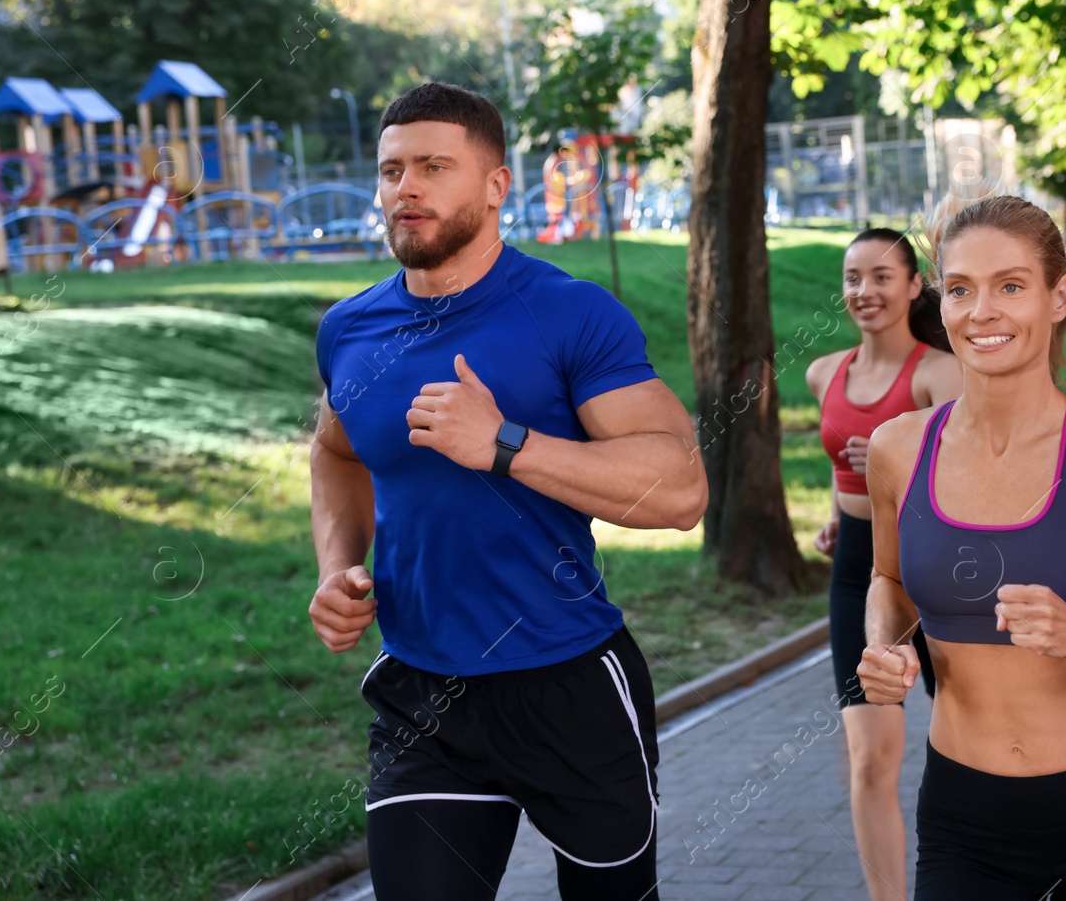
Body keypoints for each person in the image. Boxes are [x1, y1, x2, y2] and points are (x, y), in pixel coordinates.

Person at [308, 83, 707, 901]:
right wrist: (338, 563)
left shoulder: (569, 315)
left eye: (433, 167)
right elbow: (335, 450)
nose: (405, 188)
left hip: (568, 683)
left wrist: (506, 444)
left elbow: (681, 490)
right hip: (423, 691)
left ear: (495, 186)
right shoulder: (349, 328)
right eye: (390, 170)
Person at [858, 192, 1066, 899]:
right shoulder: (899, 448)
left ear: (1058, 296)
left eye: (1010, 286)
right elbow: (888, 580)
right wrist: (887, 646)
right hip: (962, 819)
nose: (981, 311)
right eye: (960, 289)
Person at [805, 227, 961, 901]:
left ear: (913, 285)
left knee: (969, 747)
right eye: (852, 278)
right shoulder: (823, 373)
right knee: (870, 756)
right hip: (857, 570)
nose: (864, 291)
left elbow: (972, 480)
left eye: (880, 277)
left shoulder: (939, 372)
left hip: (938, 566)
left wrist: (905, 465)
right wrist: (842, 515)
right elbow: (844, 470)